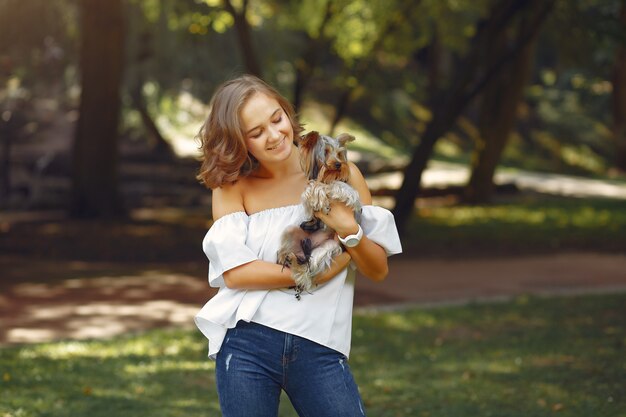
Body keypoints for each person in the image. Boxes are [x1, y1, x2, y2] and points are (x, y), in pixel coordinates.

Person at [194, 74, 402, 417]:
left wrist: (349, 229)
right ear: (238, 141)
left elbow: (377, 268)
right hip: (248, 344)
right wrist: (310, 274)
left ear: (287, 113)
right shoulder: (232, 186)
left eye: (276, 119)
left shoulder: (340, 171)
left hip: (320, 346)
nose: (275, 136)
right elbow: (236, 272)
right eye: (256, 133)